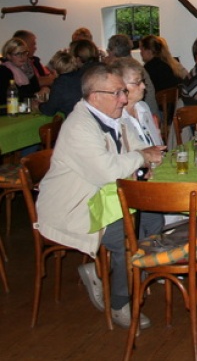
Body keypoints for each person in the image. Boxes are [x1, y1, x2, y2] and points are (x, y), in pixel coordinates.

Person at [35, 63, 165, 329]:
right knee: (128, 235)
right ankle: (120, 304)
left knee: (153, 219)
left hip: (105, 198)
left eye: (123, 92)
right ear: (95, 97)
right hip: (73, 208)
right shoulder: (79, 127)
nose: (124, 99)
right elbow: (109, 171)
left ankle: (112, 273)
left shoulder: (113, 117)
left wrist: (143, 157)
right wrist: (141, 158)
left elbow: (141, 148)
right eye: (118, 93)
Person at [40, 39, 101, 117]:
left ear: (77, 59)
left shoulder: (67, 80)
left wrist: (39, 105)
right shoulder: (104, 70)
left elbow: (50, 110)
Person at [104, 34, 159, 116]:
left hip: (147, 115)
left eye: (108, 51)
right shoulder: (135, 66)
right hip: (153, 112)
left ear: (113, 52)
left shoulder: (124, 71)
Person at [115, 57, 163, 147]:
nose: (143, 86)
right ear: (120, 86)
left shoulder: (143, 107)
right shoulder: (117, 118)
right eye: (137, 82)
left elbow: (158, 145)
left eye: (142, 81)